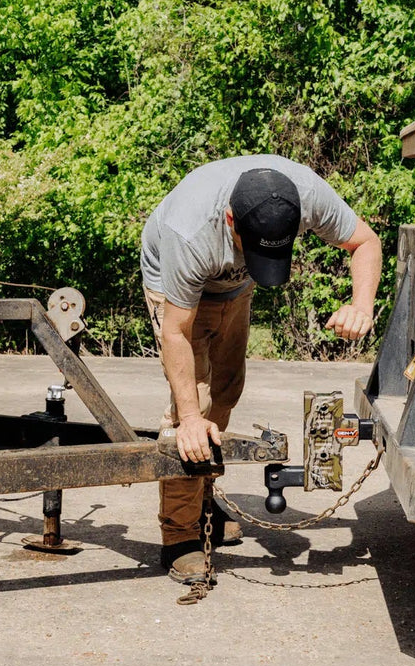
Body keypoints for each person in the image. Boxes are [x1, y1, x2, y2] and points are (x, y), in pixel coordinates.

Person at [140, 155, 382, 585]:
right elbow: (176, 332)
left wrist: (361, 305)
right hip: (177, 288)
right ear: (230, 219)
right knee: (195, 403)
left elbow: (366, 242)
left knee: (228, 389)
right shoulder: (189, 231)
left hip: (234, 288)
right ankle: (179, 535)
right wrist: (190, 417)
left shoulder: (307, 195)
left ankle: (203, 500)